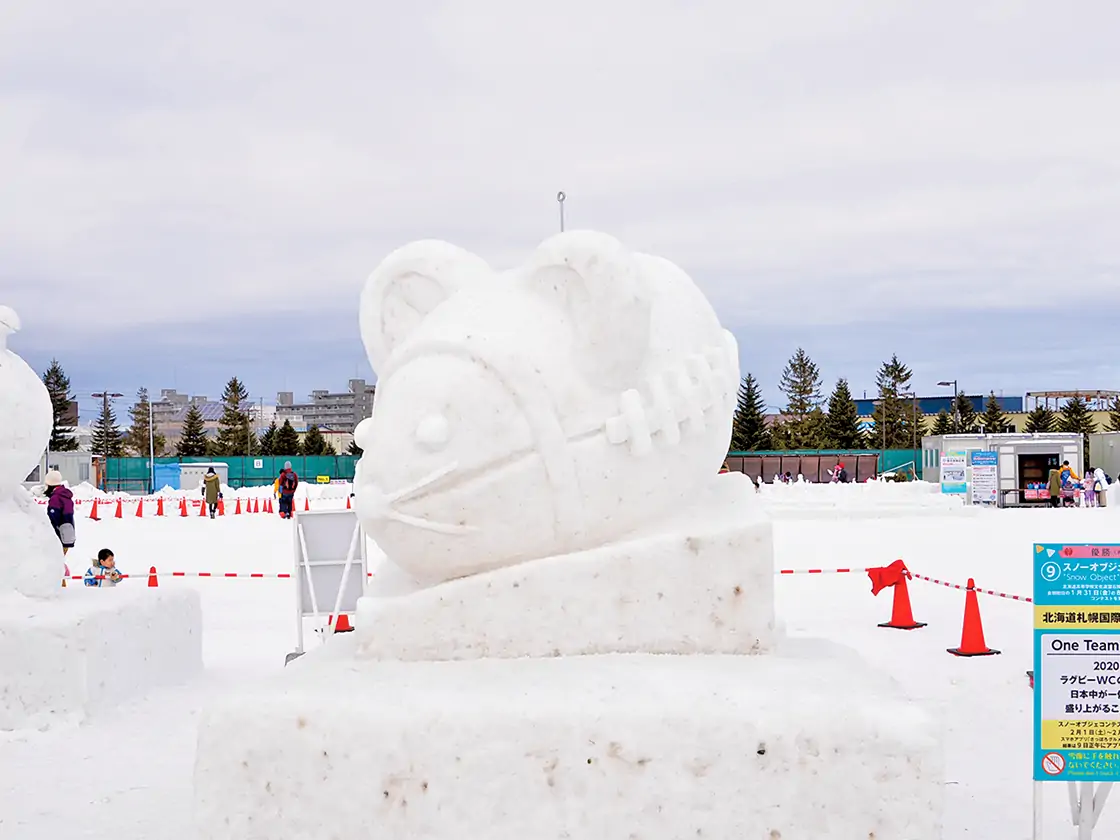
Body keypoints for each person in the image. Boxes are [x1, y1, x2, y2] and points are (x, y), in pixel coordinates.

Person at [44, 470, 75, 555]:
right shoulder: (65, 496)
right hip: (67, 535)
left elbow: (54, 519)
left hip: (59, 536)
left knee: (54, 559)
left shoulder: (55, 498)